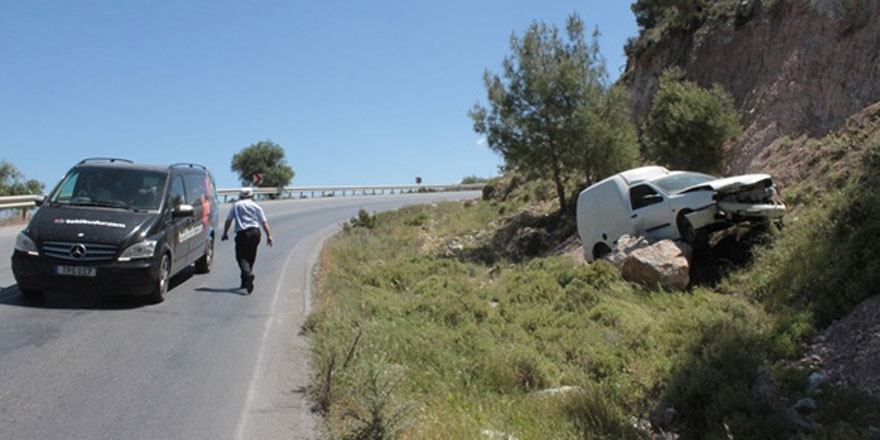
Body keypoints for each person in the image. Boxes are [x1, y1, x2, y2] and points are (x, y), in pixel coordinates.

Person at [221, 187, 274, 294]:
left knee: (241, 257)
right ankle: (245, 282)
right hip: (255, 233)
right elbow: (264, 222)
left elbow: (229, 220)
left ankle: (248, 275)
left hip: (243, 234)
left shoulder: (236, 205)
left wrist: (225, 233)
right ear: (252, 195)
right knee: (251, 256)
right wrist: (269, 236)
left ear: (240, 195)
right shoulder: (256, 206)